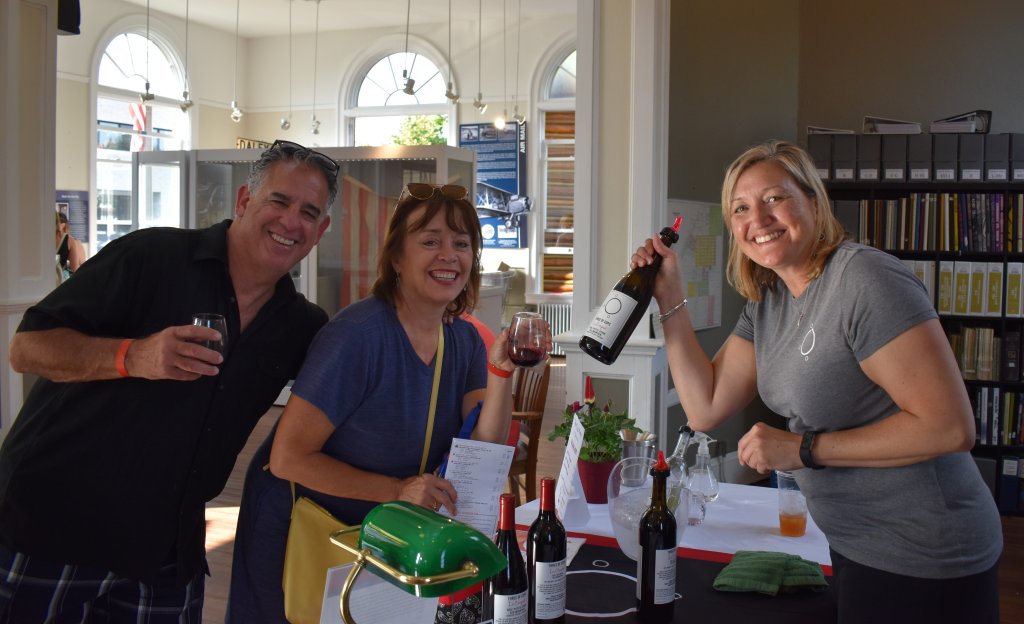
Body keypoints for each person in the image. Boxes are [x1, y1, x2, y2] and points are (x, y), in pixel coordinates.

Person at [631, 140, 1002, 623]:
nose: (758, 220)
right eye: (741, 208)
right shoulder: (769, 301)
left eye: (774, 199)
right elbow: (705, 407)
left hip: (926, 551)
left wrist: (803, 449)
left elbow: (950, 428)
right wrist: (669, 298)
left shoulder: (864, 281)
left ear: (813, 200)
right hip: (853, 541)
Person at [0, 139, 337, 622]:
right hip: (56, 527)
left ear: (321, 229)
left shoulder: (300, 325)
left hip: (164, 549)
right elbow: (27, 348)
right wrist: (132, 355)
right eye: (279, 201)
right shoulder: (153, 257)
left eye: (308, 212)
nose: (291, 222)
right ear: (245, 201)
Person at [226, 182, 551, 623]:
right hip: (305, 524)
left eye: (461, 244)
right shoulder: (357, 336)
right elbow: (287, 458)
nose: (448, 255)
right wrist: (398, 491)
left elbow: (482, 445)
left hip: (388, 532)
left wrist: (500, 374)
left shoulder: (464, 337)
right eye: (430, 241)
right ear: (397, 257)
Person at [55, 210, 86, 280]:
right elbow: (76, 268)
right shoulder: (71, 241)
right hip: (57, 281)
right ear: (63, 225)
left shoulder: (42, 238)